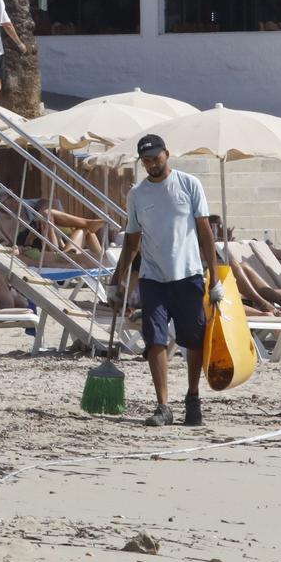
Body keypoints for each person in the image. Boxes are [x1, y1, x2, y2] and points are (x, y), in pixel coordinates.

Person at [108, 132, 221, 428]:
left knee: (192, 340)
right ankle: (163, 406)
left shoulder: (189, 184)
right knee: (155, 338)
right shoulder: (137, 194)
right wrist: (116, 279)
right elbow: (132, 241)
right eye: (146, 161)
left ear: (167, 154)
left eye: (156, 159)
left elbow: (205, 232)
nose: (152, 165)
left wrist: (216, 277)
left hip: (188, 275)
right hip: (153, 278)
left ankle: (193, 397)